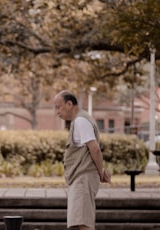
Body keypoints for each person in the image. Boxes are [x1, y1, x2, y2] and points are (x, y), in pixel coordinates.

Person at [54, 90, 111, 230]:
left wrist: (100, 171)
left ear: (69, 104)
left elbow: (95, 148)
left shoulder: (80, 121)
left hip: (82, 179)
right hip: (81, 179)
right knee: (80, 222)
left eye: (58, 107)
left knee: (84, 224)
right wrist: (100, 170)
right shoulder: (80, 120)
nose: (57, 111)